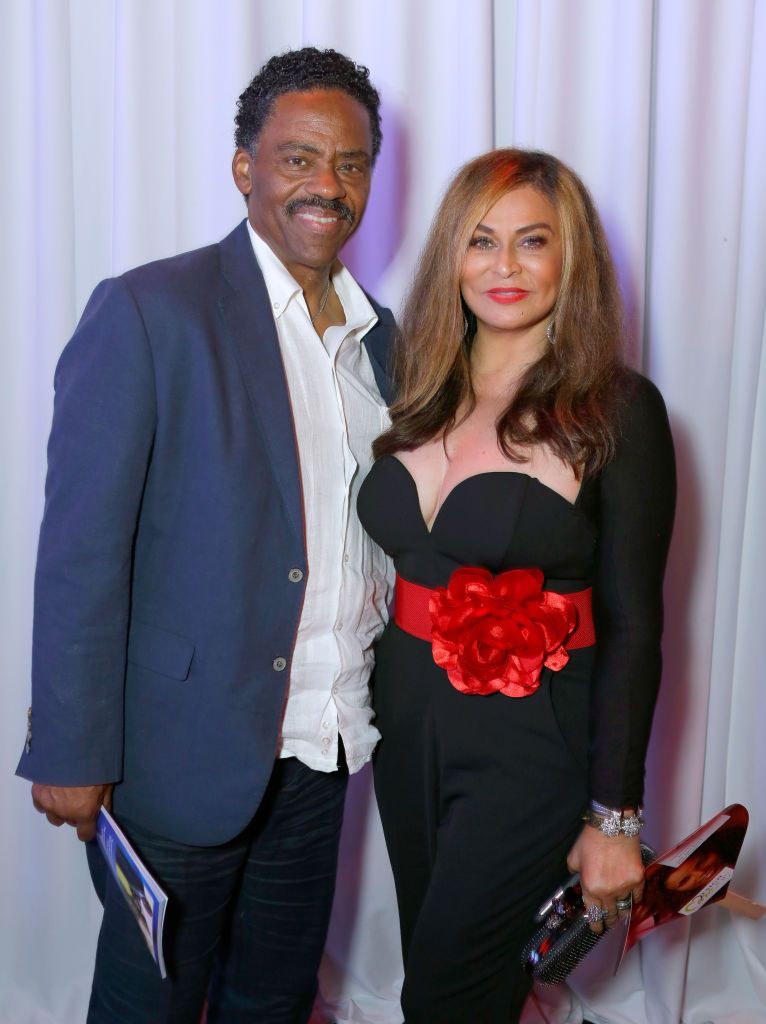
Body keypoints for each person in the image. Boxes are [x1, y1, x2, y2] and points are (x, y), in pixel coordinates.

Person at [17, 47, 395, 1024]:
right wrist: (69, 742)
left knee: (272, 997)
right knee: (150, 999)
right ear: (244, 167)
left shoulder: (383, 344)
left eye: (350, 162)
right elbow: (80, 553)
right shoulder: (151, 310)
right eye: (299, 157)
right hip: (180, 755)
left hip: (323, 745)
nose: (327, 183)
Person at [357, 148, 676, 1022]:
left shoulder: (618, 411)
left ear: (569, 259)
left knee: (445, 997)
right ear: (451, 258)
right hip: (404, 721)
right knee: (448, 964)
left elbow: (636, 626)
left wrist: (615, 820)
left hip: (529, 739)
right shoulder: (412, 390)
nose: (504, 267)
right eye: (481, 241)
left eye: (532, 242)